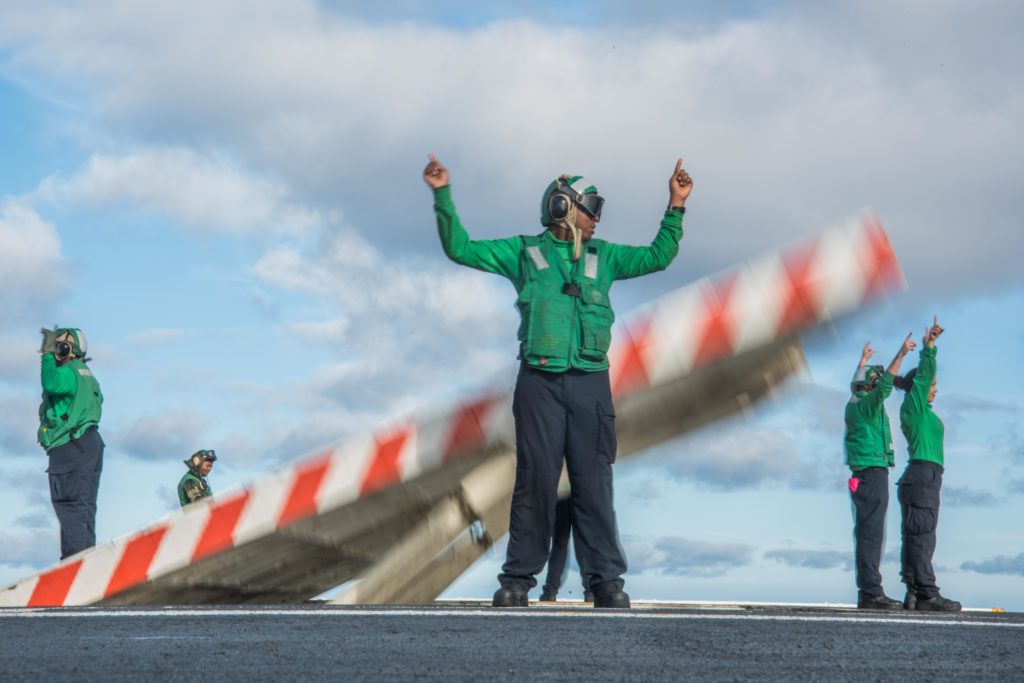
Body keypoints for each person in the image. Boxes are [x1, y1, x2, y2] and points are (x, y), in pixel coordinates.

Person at [424, 154, 692, 608]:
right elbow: (460, 248)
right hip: (539, 384)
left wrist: (676, 205)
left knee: (594, 483)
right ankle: (518, 581)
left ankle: (606, 582)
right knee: (536, 481)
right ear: (561, 207)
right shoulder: (523, 252)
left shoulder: (603, 257)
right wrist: (442, 195)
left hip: (591, 385)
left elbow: (658, 257)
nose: (598, 217)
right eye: (591, 206)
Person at [894, 317, 961, 612]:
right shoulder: (914, 404)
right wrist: (929, 347)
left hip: (922, 476)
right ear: (920, 386)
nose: (935, 389)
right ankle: (928, 594)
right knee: (922, 536)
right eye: (932, 385)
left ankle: (913, 592)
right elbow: (925, 374)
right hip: (923, 475)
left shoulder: (921, 410)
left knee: (915, 534)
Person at [844, 333, 915, 609]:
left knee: (866, 532)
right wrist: (901, 353)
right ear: (869, 386)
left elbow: (861, 381)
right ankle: (872, 592)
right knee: (872, 533)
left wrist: (863, 361)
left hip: (865, 474)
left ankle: (868, 591)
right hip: (872, 473)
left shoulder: (854, 403)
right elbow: (885, 386)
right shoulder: (867, 407)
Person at [37, 326, 105, 560]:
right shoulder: (86, 374)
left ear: (68, 349)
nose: (55, 350)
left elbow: (50, 383)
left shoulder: (67, 372)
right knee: (84, 509)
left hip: (70, 446)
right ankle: (87, 565)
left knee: (70, 507)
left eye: (58, 346)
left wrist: (46, 356)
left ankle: (74, 569)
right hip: (89, 443)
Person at [539, 496, 593, 603]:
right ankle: (590, 591)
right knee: (583, 543)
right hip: (582, 491)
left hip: (561, 492)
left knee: (559, 543)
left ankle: (550, 591)